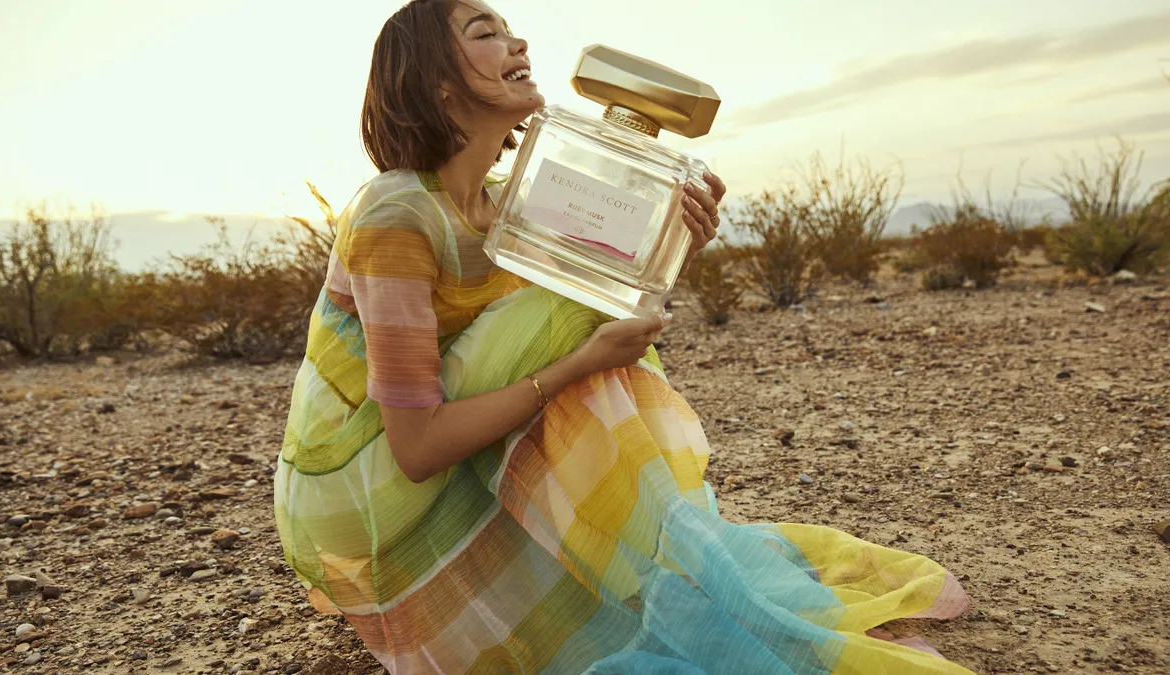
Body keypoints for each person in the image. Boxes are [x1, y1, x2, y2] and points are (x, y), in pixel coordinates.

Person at [273, 1, 976, 673]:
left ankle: (655, 563)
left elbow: (611, 302)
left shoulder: (504, 198)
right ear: (435, 84)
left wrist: (678, 241)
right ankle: (654, 563)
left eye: (513, 30)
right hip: (361, 481)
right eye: (486, 32)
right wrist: (581, 360)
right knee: (566, 317)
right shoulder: (395, 212)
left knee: (580, 307)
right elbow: (418, 446)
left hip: (443, 437)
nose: (518, 44)